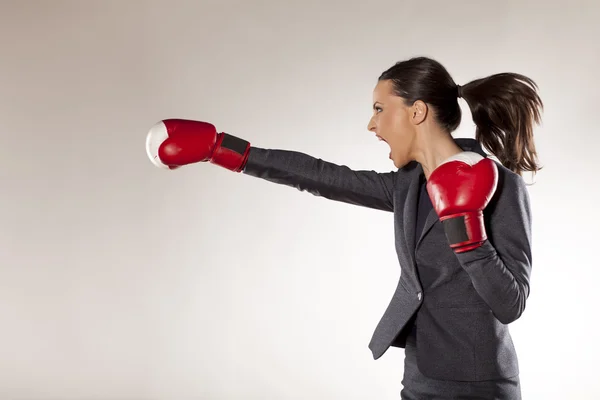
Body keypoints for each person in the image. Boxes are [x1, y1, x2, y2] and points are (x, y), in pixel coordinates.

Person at [145, 56, 543, 399]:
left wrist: (465, 231)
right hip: (420, 376)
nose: (372, 125)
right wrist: (225, 150)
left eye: (379, 109)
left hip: (478, 385)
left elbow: (511, 303)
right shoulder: (407, 184)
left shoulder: (498, 182)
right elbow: (324, 176)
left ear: (416, 112)